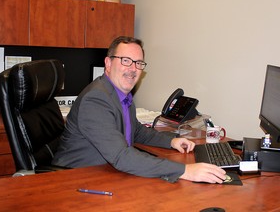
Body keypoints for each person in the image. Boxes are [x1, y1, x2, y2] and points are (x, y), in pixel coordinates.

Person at [52, 36, 226, 183]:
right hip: (75, 180)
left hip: (106, 172)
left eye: (138, 63)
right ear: (108, 63)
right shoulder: (96, 100)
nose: (133, 69)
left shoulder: (122, 95)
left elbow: (137, 132)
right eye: (126, 61)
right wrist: (185, 171)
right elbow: (121, 156)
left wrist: (171, 141)